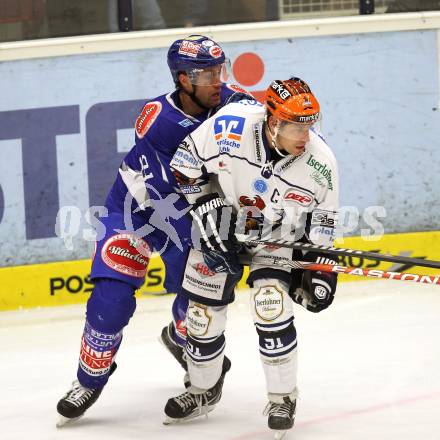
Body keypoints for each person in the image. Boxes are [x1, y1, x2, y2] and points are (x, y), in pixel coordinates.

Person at [56, 34, 252, 427]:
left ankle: (186, 343)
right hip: (138, 210)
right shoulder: (158, 120)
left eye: (220, 70)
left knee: (200, 301)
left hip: (196, 212)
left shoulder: (240, 106)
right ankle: (89, 380)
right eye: (206, 74)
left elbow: (268, 148)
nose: (218, 80)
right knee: (110, 301)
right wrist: (219, 232)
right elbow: (172, 190)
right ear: (182, 79)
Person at [163, 78, 339, 437]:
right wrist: (206, 205)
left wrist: (321, 269)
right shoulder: (232, 126)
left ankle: (282, 397)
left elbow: (323, 222)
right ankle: (202, 390)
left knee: (270, 303)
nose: (306, 136)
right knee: (201, 316)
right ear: (273, 123)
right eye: (297, 127)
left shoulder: (321, 164)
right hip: (221, 225)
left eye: (310, 126)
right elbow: (183, 162)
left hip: (275, 234)